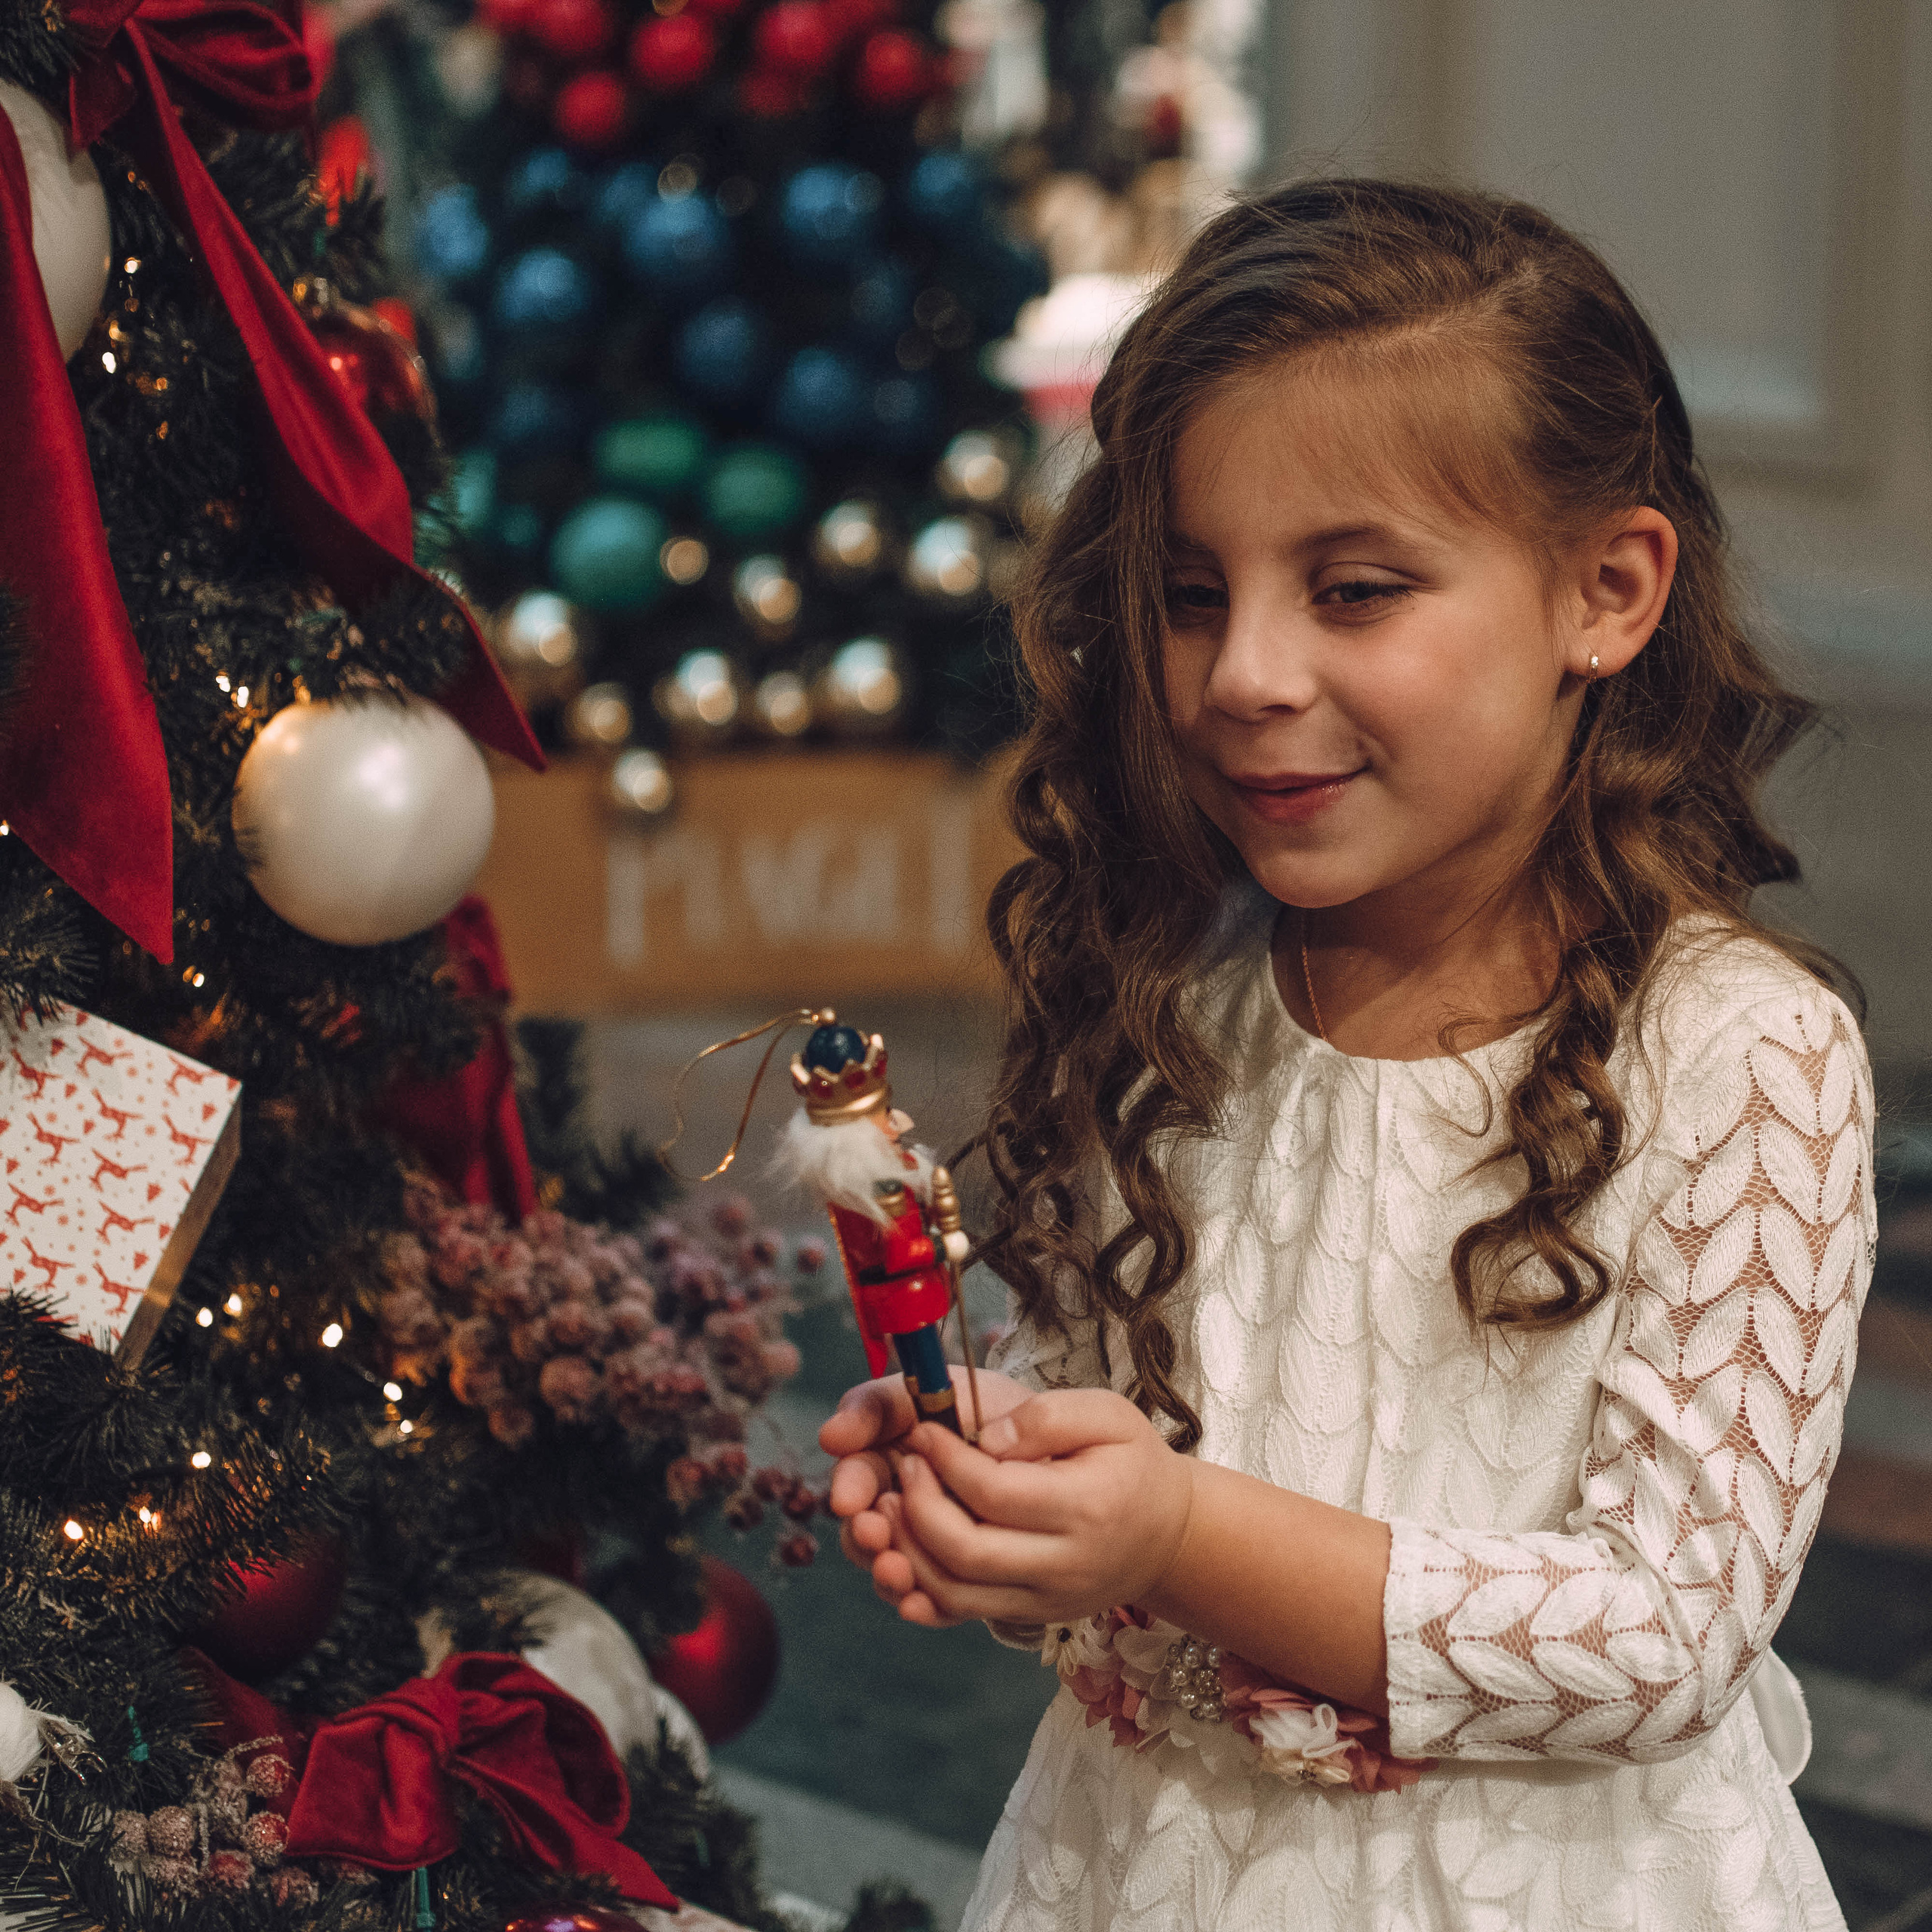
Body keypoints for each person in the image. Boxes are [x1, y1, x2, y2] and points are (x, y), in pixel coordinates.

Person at [820, 179, 1875, 1931]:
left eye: (1353, 589)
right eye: (1184, 590)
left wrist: (1163, 1529)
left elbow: (1665, 1629)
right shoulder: (1177, 997)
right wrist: (995, 1491)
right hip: (1141, 1868)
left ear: (1603, 591)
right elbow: (1102, 1498)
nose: (1239, 671)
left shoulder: (1744, 1057)